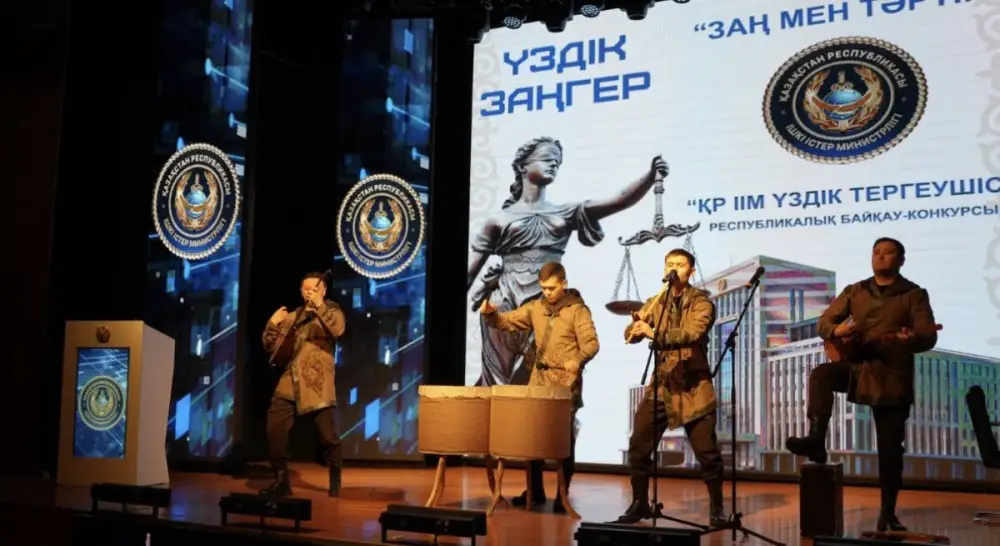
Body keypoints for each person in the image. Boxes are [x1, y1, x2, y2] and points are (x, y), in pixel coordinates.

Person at [468, 136, 679, 388]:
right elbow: (470, 272)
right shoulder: (499, 219)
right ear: (523, 166)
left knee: (544, 375)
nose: (553, 165)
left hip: (549, 304)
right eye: (547, 159)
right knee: (496, 381)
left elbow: (619, 200)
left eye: (557, 163)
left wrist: (650, 176)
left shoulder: (565, 212)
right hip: (505, 300)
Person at [785, 237, 937, 532]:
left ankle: (888, 513)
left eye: (888, 253)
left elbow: (928, 335)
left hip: (892, 375)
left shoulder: (913, 294)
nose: (880, 257)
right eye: (876, 252)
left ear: (901, 260)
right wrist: (838, 330)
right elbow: (824, 323)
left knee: (890, 449)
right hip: (859, 366)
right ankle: (816, 440)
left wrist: (913, 339)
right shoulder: (855, 291)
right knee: (821, 375)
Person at [615, 249, 726, 527]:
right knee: (638, 446)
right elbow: (631, 335)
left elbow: (692, 333)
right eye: (669, 264)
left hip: (693, 387)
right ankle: (640, 503)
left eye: (680, 264)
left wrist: (653, 333)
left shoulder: (702, 303)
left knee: (707, 454)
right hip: (662, 386)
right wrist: (635, 327)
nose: (673, 269)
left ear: (691, 271)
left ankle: (717, 508)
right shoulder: (657, 301)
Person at [479, 262, 599, 513]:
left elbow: (591, 343)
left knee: (562, 442)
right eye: (543, 288)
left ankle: (562, 495)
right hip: (539, 382)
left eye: (552, 288)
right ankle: (535, 490)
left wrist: (577, 360)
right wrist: (491, 314)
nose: (547, 293)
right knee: (533, 437)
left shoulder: (577, 311)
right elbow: (508, 321)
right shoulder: (536, 308)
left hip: (565, 385)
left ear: (563, 284)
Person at [260, 271, 346, 497]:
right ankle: (281, 480)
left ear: (323, 291)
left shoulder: (332, 310)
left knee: (328, 436)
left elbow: (338, 329)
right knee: (275, 428)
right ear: (301, 291)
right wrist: (272, 324)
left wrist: (320, 306)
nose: (310, 292)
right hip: (291, 379)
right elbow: (271, 347)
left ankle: (335, 478)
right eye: (307, 289)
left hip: (318, 381)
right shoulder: (294, 316)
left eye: (315, 289)